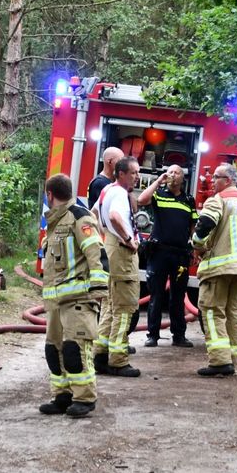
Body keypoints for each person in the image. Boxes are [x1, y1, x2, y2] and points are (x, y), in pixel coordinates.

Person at [38, 174, 108, 418]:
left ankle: (84, 398)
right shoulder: (55, 222)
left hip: (78, 299)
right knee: (53, 350)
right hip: (56, 302)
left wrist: (99, 289)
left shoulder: (79, 217)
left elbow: (96, 252)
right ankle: (62, 395)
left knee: (74, 349)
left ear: (49, 195)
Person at [192, 164, 237, 376]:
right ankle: (232, 360)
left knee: (212, 310)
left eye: (216, 177)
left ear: (227, 180)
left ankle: (219, 361)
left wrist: (197, 245)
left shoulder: (218, 199)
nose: (212, 181)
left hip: (219, 267)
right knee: (234, 315)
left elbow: (205, 223)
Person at [136, 164, 197, 348]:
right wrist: (158, 181)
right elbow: (141, 199)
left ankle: (179, 336)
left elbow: (193, 226)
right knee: (156, 295)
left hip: (180, 255)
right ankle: (152, 335)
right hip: (159, 253)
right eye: (169, 172)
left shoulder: (188, 200)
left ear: (182, 177)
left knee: (178, 297)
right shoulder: (159, 194)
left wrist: (194, 248)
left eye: (176, 172)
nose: (172, 175)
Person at [92, 157, 142, 377]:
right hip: (122, 255)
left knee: (109, 308)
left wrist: (103, 236)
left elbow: (93, 215)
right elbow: (114, 216)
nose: (137, 177)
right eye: (133, 173)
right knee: (124, 309)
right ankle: (118, 361)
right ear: (121, 173)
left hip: (109, 249)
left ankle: (100, 355)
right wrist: (129, 239)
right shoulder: (120, 193)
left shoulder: (106, 191)